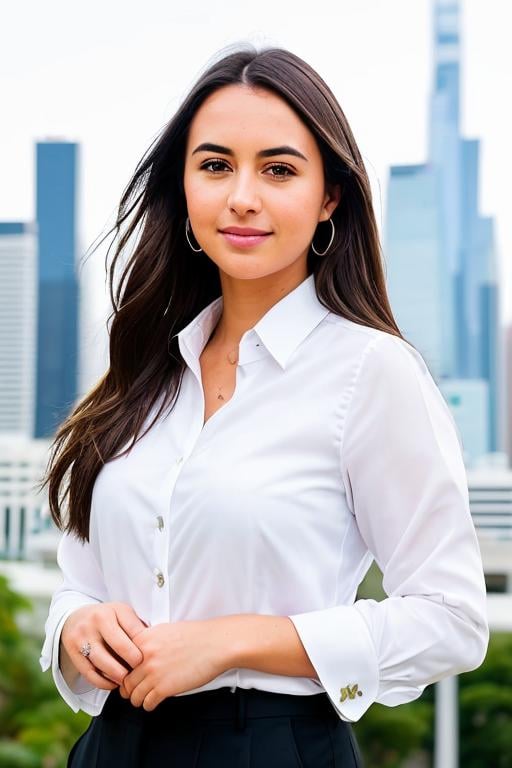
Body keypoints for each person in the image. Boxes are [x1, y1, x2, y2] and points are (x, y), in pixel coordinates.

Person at [38, 44, 489, 768]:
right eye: (215, 166)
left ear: (329, 197)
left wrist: (237, 639)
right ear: (183, 186)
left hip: (271, 746)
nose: (242, 196)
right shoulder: (143, 369)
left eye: (278, 170)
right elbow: (79, 584)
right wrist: (76, 626)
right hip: (113, 745)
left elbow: (453, 619)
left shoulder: (370, 373)